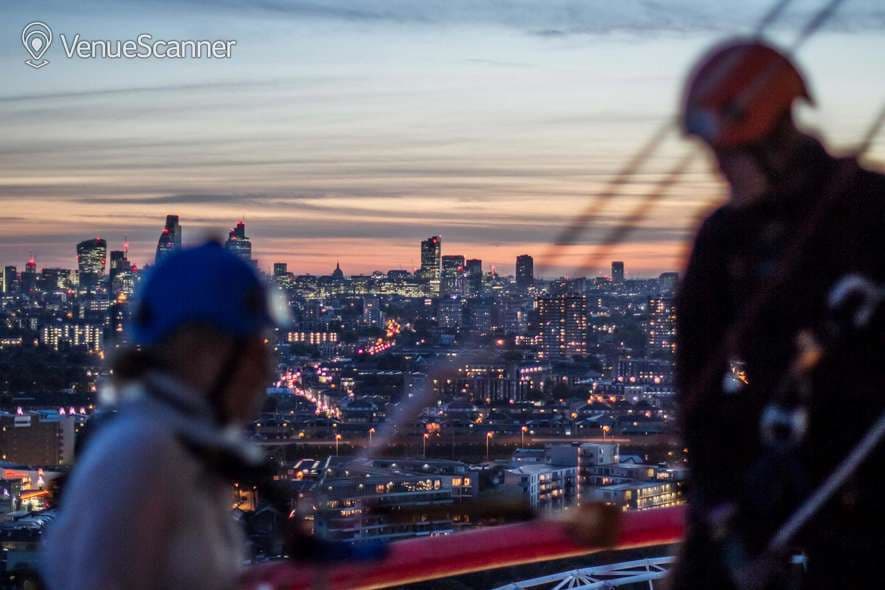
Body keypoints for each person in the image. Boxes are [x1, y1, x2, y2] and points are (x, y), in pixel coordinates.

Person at [671, 39, 885, 589]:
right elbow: (697, 385)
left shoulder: (869, 212)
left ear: (772, 142)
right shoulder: (724, 240)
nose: (717, 168)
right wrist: (718, 507)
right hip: (775, 463)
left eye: (727, 153)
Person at [41, 243, 285, 590]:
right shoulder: (142, 452)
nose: (266, 369)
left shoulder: (179, 442)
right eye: (254, 348)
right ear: (202, 350)